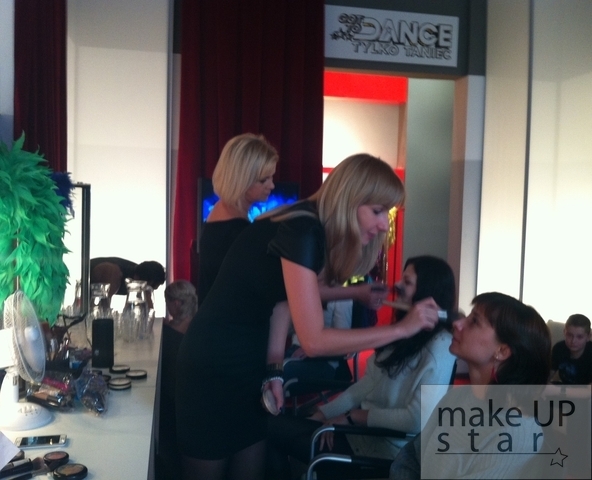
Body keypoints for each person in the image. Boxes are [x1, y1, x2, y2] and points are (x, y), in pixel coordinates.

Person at [175, 154, 443, 480]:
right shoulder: (303, 229)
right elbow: (314, 340)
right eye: (377, 211)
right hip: (212, 362)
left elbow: (281, 303)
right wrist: (403, 328)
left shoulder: (310, 227)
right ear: (350, 199)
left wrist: (274, 370)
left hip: (248, 359)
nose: (384, 225)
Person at [266, 255, 458, 480]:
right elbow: (364, 387)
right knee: (267, 428)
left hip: (380, 452)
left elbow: (416, 420)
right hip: (356, 434)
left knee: (266, 429)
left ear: (427, 292)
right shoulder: (404, 335)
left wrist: (354, 417)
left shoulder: (441, 345)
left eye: (407, 282)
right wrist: (323, 413)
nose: (396, 284)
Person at [389, 292, 552, 480]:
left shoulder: (516, 432)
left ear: (502, 351)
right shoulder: (457, 398)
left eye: (474, 321)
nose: (457, 324)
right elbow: (411, 458)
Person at [198, 133, 279, 306]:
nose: (271, 185)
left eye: (271, 177)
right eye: (264, 180)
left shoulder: (220, 216)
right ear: (242, 179)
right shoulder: (238, 233)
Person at [157, 280, 198, 480]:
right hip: (185, 403)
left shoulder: (169, 335)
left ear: (176, 303)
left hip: (170, 404)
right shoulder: (197, 329)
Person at [89, 256, 165, 308]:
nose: (148, 292)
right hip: (85, 291)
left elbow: (148, 311)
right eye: (149, 288)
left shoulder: (139, 277)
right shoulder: (114, 272)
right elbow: (102, 308)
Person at [550, 313, 592, 385]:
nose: (573, 341)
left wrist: (560, 390)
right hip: (563, 386)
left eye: (579, 337)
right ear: (564, 332)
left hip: (585, 390)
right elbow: (549, 374)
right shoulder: (559, 348)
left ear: (588, 337)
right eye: (569, 335)